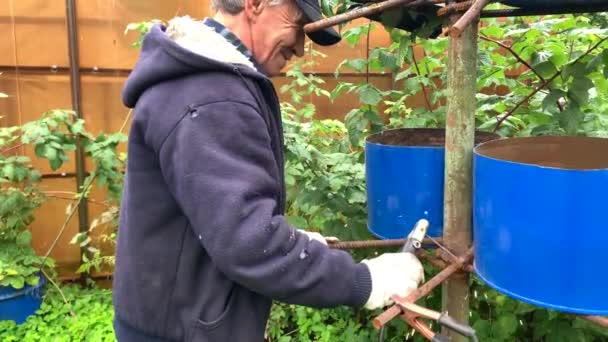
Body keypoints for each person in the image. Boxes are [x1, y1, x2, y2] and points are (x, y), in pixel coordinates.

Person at [112, 0, 424, 340]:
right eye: (299, 24)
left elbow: (217, 217)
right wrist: (366, 281)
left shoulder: (202, 81)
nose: (301, 50)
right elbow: (248, 243)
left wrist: (297, 242)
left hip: (172, 318)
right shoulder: (211, 95)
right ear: (255, 4)